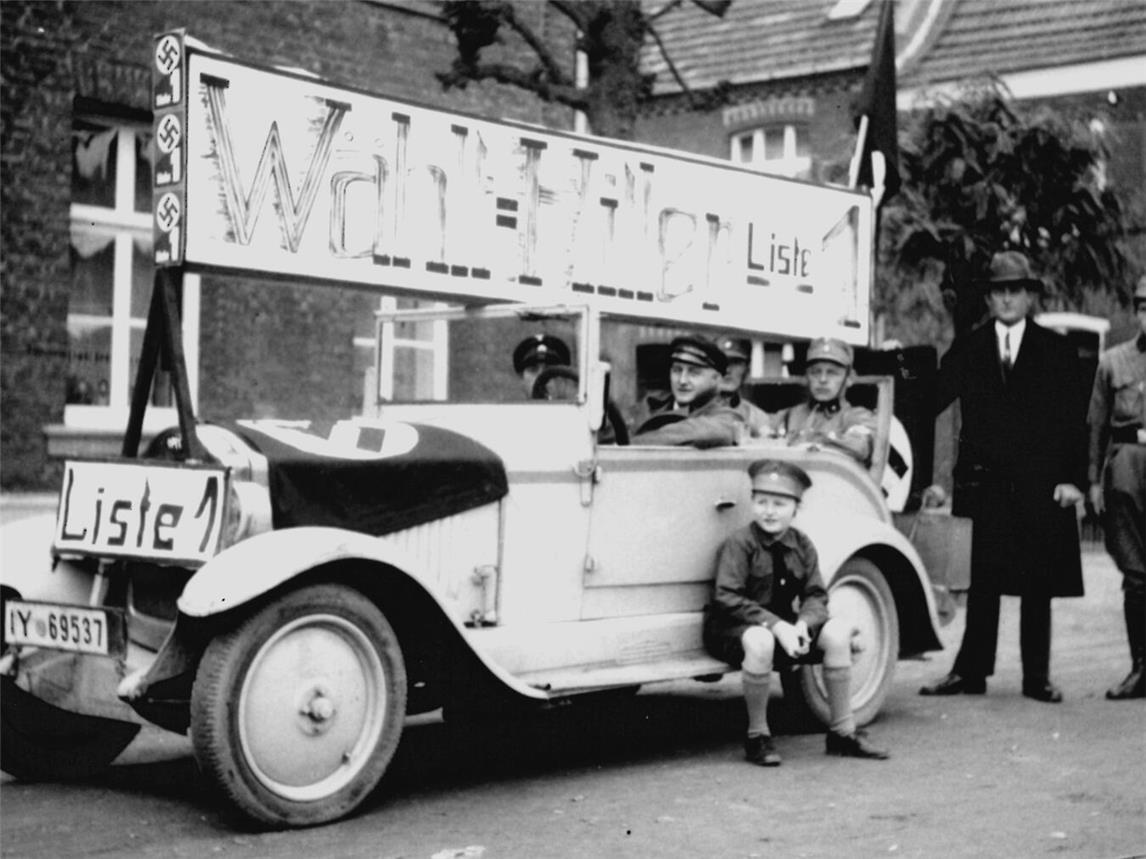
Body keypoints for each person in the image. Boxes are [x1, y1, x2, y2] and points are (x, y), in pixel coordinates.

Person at [920, 250, 1087, 703]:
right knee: (983, 579)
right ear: (988, 298)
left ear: (1030, 296)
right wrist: (899, 370)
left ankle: (1037, 677)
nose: (1008, 299)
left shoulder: (1056, 351)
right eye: (999, 291)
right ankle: (971, 672)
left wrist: (1073, 479)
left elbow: (1074, 421)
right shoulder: (970, 348)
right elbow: (931, 398)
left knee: (1037, 581)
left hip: (1039, 482)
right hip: (985, 483)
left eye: (1016, 290)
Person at [703, 459, 889, 765]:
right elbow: (727, 597)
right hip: (735, 629)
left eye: (779, 504)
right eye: (762, 502)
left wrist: (804, 624)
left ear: (796, 508)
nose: (769, 511)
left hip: (785, 628)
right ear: (752, 503)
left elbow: (816, 595)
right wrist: (778, 627)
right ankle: (757, 737)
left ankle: (842, 733)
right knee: (761, 640)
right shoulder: (740, 544)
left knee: (837, 633)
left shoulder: (802, 544)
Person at [1086, 274, 1146, 700]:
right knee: (1136, 572)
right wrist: (1092, 480)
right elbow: (1095, 426)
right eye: (1144, 308)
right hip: (1127, 469)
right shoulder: (1113, 362)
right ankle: (1141, 668)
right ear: (1136, 312)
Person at [770, 337, 876, 467]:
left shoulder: (858, 417)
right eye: (815, 372)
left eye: (832, 373)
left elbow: (859, 446)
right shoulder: (789, 416)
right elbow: (759, 428)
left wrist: (812, 439)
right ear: (806, 377)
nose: (823, 379)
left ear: (849, 378)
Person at [632, 334, 746, 448]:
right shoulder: (649, 404)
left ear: (716, 379)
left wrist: (628, 444)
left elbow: (706, 431)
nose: (682, 380)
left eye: (694, 372)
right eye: (677, 370)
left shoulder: (725, 417)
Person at [717, 336, 773, 438]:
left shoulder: (758, 418)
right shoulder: (692, 412)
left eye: (735, 363)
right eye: (721, 362)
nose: (727, 370)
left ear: (747, 369)